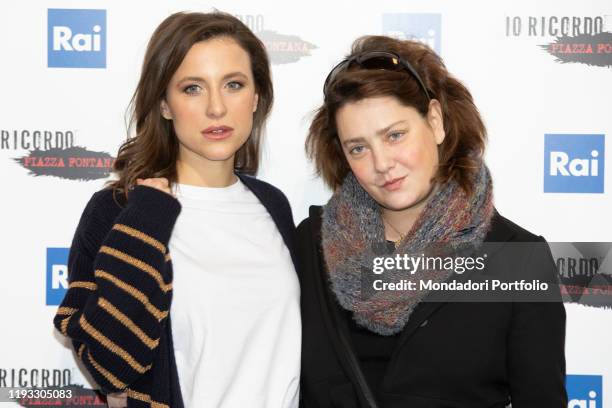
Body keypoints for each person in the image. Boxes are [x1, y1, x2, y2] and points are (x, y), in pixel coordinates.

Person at [297, 35, 567, 407]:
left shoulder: (516, 258)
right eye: (358, 147)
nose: (381, 163)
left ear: (436, 121)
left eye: (394, 135)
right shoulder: (311, 247)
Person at [53, 11, 301, 408]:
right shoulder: (120, 209)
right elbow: (109, 366)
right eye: (192, 89)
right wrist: (147, 217)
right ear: (165, 104)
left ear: (256, 98)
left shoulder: (273, 206)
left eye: (233, 85)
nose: (216, 108)